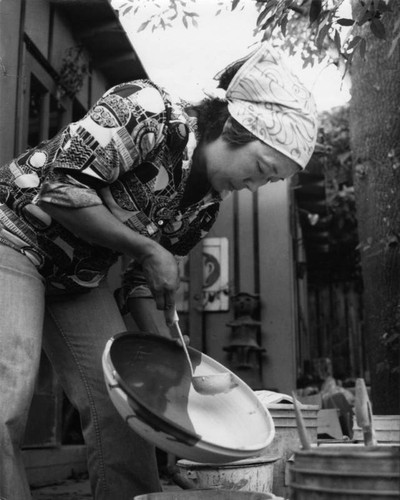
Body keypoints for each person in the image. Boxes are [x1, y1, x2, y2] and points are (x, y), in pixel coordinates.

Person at [0, 42, 318, 500]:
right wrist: (145, 248)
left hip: (76, 279)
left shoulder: (206, 207)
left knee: (124, 405)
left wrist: (176, 361)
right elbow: (59, 186)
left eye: (268, 182)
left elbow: (140, 286)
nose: (253, 186)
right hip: (14, 236)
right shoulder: (146, 111)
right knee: (8, 399)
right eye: (262, 168)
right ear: (233, 127)